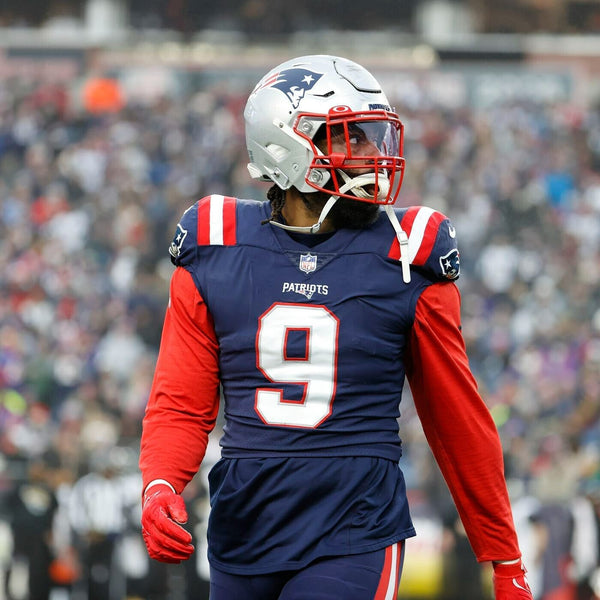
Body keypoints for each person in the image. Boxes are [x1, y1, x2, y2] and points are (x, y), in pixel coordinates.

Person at [139, 54, 533, 600]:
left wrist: (504, 556)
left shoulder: (407, 255)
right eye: (350, 137)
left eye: (370, 135)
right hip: (244, 524)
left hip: (354, 526)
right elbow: (181, 401)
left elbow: (456, 419)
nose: (372, 153)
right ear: (286, 146)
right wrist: (161, 482)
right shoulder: (216, 244)